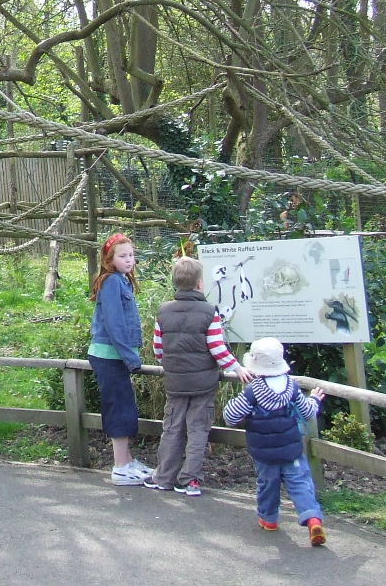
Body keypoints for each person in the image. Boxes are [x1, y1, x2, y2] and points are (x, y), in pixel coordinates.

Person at [143, 256, 251, 496]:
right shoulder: (208, 312)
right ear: (200, 283)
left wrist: (171, 365)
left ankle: (164, 477)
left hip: (175, 382)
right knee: (198, 429)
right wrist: (237, 368)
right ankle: (190, 479)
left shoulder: (164, 311)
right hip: (203, 384)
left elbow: (158, 349)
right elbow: (217, 348)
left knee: (172, 428)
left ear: (175, 282)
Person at [222, 337, 328, 546]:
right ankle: (313, 519)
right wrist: (314, 399)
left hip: (264, 452)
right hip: (292, 449)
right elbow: (307, 413)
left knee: (267, 484)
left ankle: (269, 519)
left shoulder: (253, 392)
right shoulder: (292, 387)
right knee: (300, 483)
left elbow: (230, 416)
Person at [88, 233, 152, 485]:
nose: (129, 260)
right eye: (122, 256)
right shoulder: (112, 282)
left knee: (125, 407)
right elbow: (115, 325)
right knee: (119, 409)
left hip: (117, 357)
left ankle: (127, 460)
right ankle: (120, 467)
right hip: (110, 356)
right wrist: (130, 358)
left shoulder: (122, 281)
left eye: (131, 255)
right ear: (109, 259)